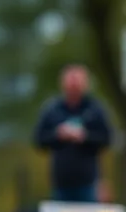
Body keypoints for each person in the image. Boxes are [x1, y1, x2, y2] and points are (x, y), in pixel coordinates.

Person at [35, 65, 113, 203]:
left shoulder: (95, 109)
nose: (73, 86)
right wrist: (58, 135)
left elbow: (107, 138)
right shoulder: (53, 109)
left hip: (88, 183)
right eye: (70, 82)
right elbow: (39, 139)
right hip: (60, 183)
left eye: (77, 82)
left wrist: (85, 137)